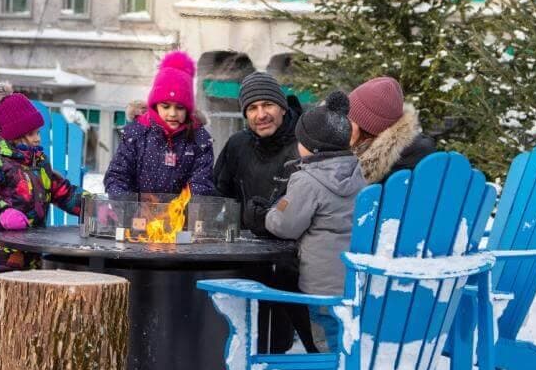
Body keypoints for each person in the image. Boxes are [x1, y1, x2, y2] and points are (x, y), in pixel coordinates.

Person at [0, 91, 82, 365]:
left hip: (30, 250)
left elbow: (60, 190)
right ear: (14, 135)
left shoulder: (37, 162)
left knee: (28, 307)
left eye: (38, 132)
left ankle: (19, 360)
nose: (38, 138)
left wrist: (94, 207)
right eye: (31, 134)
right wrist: (2, 210)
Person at [213, 71, 314, 352]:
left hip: (292, 259)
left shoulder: (302, 146)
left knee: (277, 342)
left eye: (267, 105)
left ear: (282, 106)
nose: (261, 115)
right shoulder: (237, 145)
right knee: (239, 340)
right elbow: (219, 195)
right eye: (252, 108)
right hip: (244, 255)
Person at [264, 91, 364, 351]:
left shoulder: (306, 180)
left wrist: (269, 213)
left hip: (320, 288)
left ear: (309, 146)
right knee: (347, 341)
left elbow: (285, 226)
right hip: (355, 284)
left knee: (325, 343)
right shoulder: (359, 174)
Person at [102, 50, 215, 196]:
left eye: (180, 107)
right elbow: (118, 175)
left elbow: (201, 183)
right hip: (138, 215)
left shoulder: (199, 139)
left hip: (180, 216)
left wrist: (181, 210)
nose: (173, 113)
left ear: (188, 109)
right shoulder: (137, 134)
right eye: (166, 107)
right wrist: (128, 206)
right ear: (155, 106)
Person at [347, 76, 436, 185]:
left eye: (350, 120)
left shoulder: (388, 170)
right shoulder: (413, 152)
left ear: (368, 129)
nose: (342, 125)